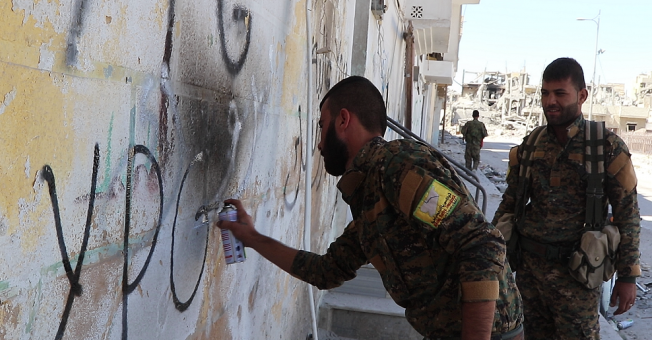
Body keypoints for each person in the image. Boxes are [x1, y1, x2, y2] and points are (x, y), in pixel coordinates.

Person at [218, 76, 524, 339]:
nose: (320, 144)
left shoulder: (395, 166)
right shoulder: (369, 194)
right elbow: (326, 272)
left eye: (322, 126)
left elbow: (481, 243)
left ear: (343, 120)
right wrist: (251, 237)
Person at [492, 58, 641, 339]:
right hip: (529, 274)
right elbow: (509, 203)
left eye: (560, 93)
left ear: (581, 95)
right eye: (545, 93)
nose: (550, 101)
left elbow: (628, 215)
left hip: (578, 275)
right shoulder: (532, 144)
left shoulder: (605, 146)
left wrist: (628, 276)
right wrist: (491, 255)